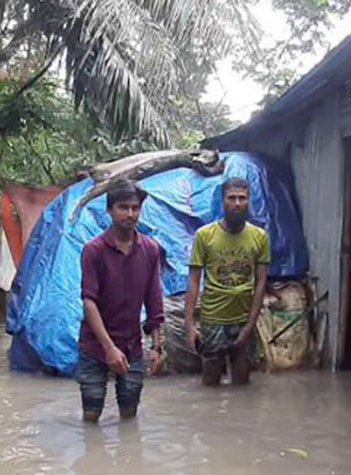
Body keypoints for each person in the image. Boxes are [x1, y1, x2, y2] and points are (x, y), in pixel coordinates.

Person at [77, 179, 164, 422]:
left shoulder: (149, 249)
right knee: (91, 416)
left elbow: (154, 299)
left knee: (129, 417)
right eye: (123, 207)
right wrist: (109, 348)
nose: (130, 214)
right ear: (109, 210)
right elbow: (88, 301)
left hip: (132, 345)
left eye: (135, 208)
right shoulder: (93, 250)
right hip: (95, 346)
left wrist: (156, 347)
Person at [185, 177, 271, 386]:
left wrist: (250, 326)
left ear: (249, 201)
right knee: (211, 380)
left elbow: (260, 283)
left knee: (243, 380)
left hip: (243, 318)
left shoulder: (260, 237)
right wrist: (189, 324)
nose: (237, 203)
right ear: (222, 201)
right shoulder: (204, 236)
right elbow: (194, 281)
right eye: (231, 198)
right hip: (213, 318)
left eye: (242, 198)